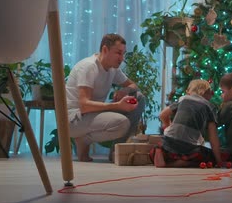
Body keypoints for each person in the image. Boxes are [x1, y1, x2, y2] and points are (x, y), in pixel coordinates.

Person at [66, 33, 145, 162]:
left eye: (123, 54)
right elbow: (84, 106)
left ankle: (117, 152)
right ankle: (83, 139)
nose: (122, 58)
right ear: (104, 50)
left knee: (139, 98)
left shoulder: (113, 69)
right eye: (118, 53)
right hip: (74, 118)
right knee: (121, 123)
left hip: (92, 113)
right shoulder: (89, 67)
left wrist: (125, 90)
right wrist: (117, 105)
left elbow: (133, 85)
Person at [152, 79, 222, 168]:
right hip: (189, 147)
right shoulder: (209, 106)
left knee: (162, 148)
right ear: (208, 93)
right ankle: (181, 163)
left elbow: (162, 115)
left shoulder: (183, 99)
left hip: (169, 143)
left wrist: (168, 126)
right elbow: (213, 137)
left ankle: (161, 153)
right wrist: (219, 161)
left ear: (189, 92)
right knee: (209, 157)